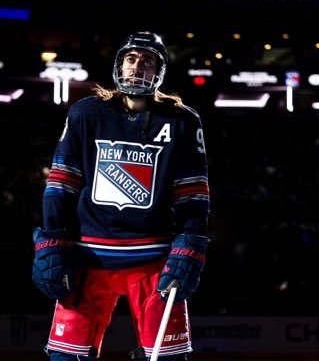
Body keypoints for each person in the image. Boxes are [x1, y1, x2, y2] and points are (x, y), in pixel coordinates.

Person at [32, 31, 211, 361]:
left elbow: (193, 194)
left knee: (168, 357)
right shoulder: (86, 113)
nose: (137, 66)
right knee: (65, 357)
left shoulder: (184, 121)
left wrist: (190, 244)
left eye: (147, 61)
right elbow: (61, 183)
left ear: (159, 71)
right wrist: (52, 240)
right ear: (118, 65)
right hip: (89, 255)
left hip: (154, 257)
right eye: (131, 58)